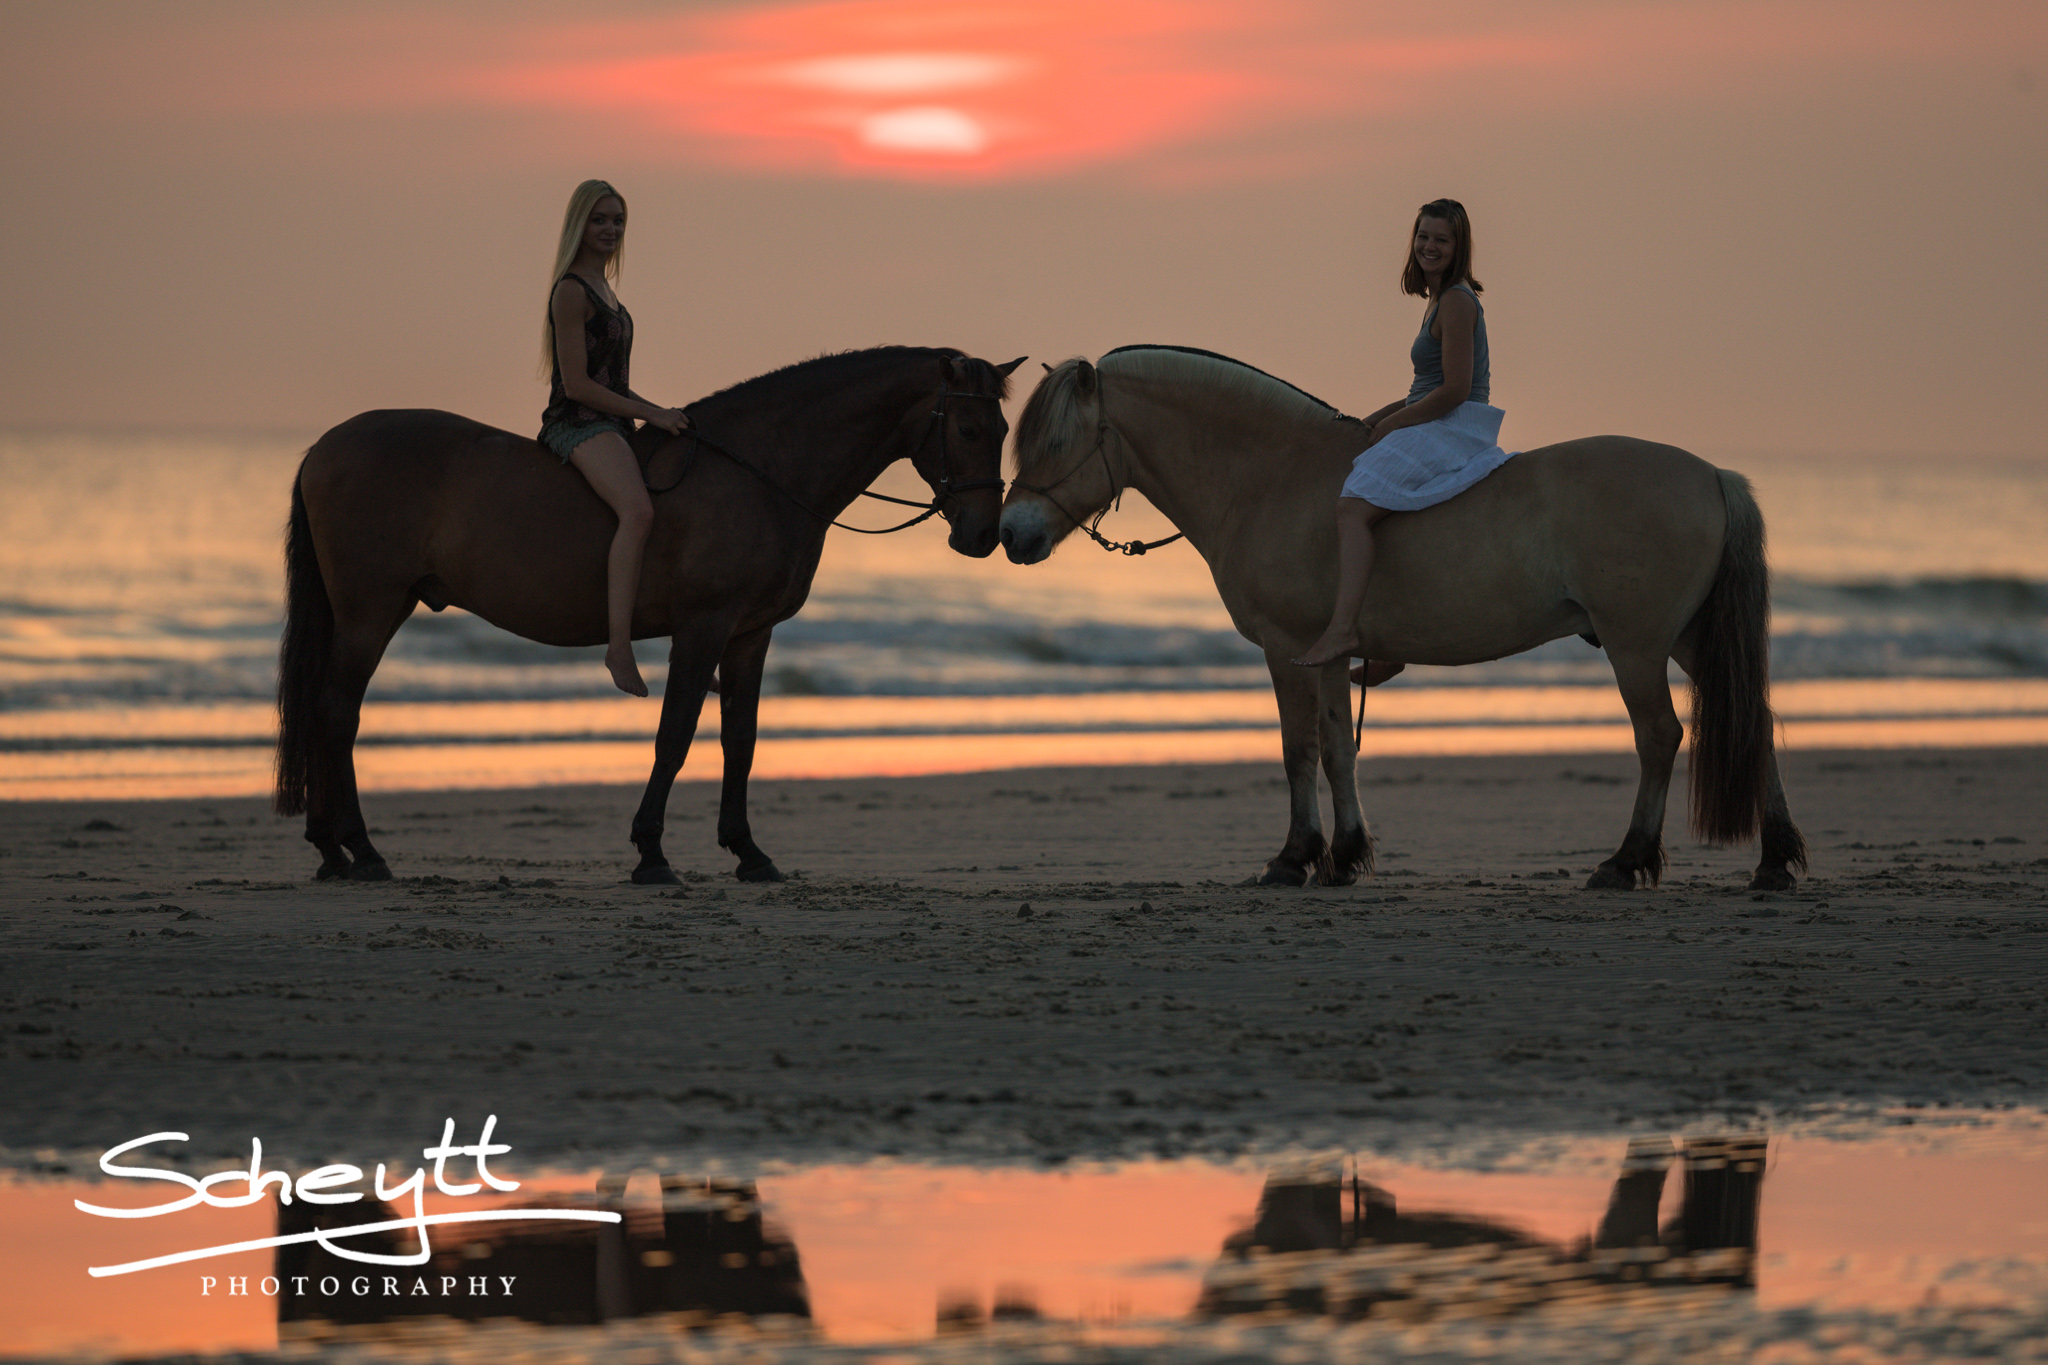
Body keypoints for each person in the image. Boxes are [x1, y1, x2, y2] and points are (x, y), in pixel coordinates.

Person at [1293, 198, 1514, 675]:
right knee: (1369, 481)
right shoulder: (1438, 299)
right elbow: (1423, 390)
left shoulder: (1456, 301)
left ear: (1459, 247)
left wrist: (1395, 424)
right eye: (1423, 236)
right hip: (1438, 416)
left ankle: (1343, 629)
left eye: (1441, 239)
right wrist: (1370, 421)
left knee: (1353, 507)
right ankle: (1393, 643)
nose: (1429, 247)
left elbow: (1455, 390)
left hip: (1455, 424)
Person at [538, 179, 689, 697]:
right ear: (579, 225)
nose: (610, 229)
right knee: (638, 512)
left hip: (612, 421)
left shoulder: (606, 290)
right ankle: (618, 648)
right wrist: (650, 413)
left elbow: (615, 383)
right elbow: (579, 385)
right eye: (599, 219)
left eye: (618, 220)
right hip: (576, 422)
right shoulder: (571, 291)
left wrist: (660, 413)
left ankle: (685, 639)